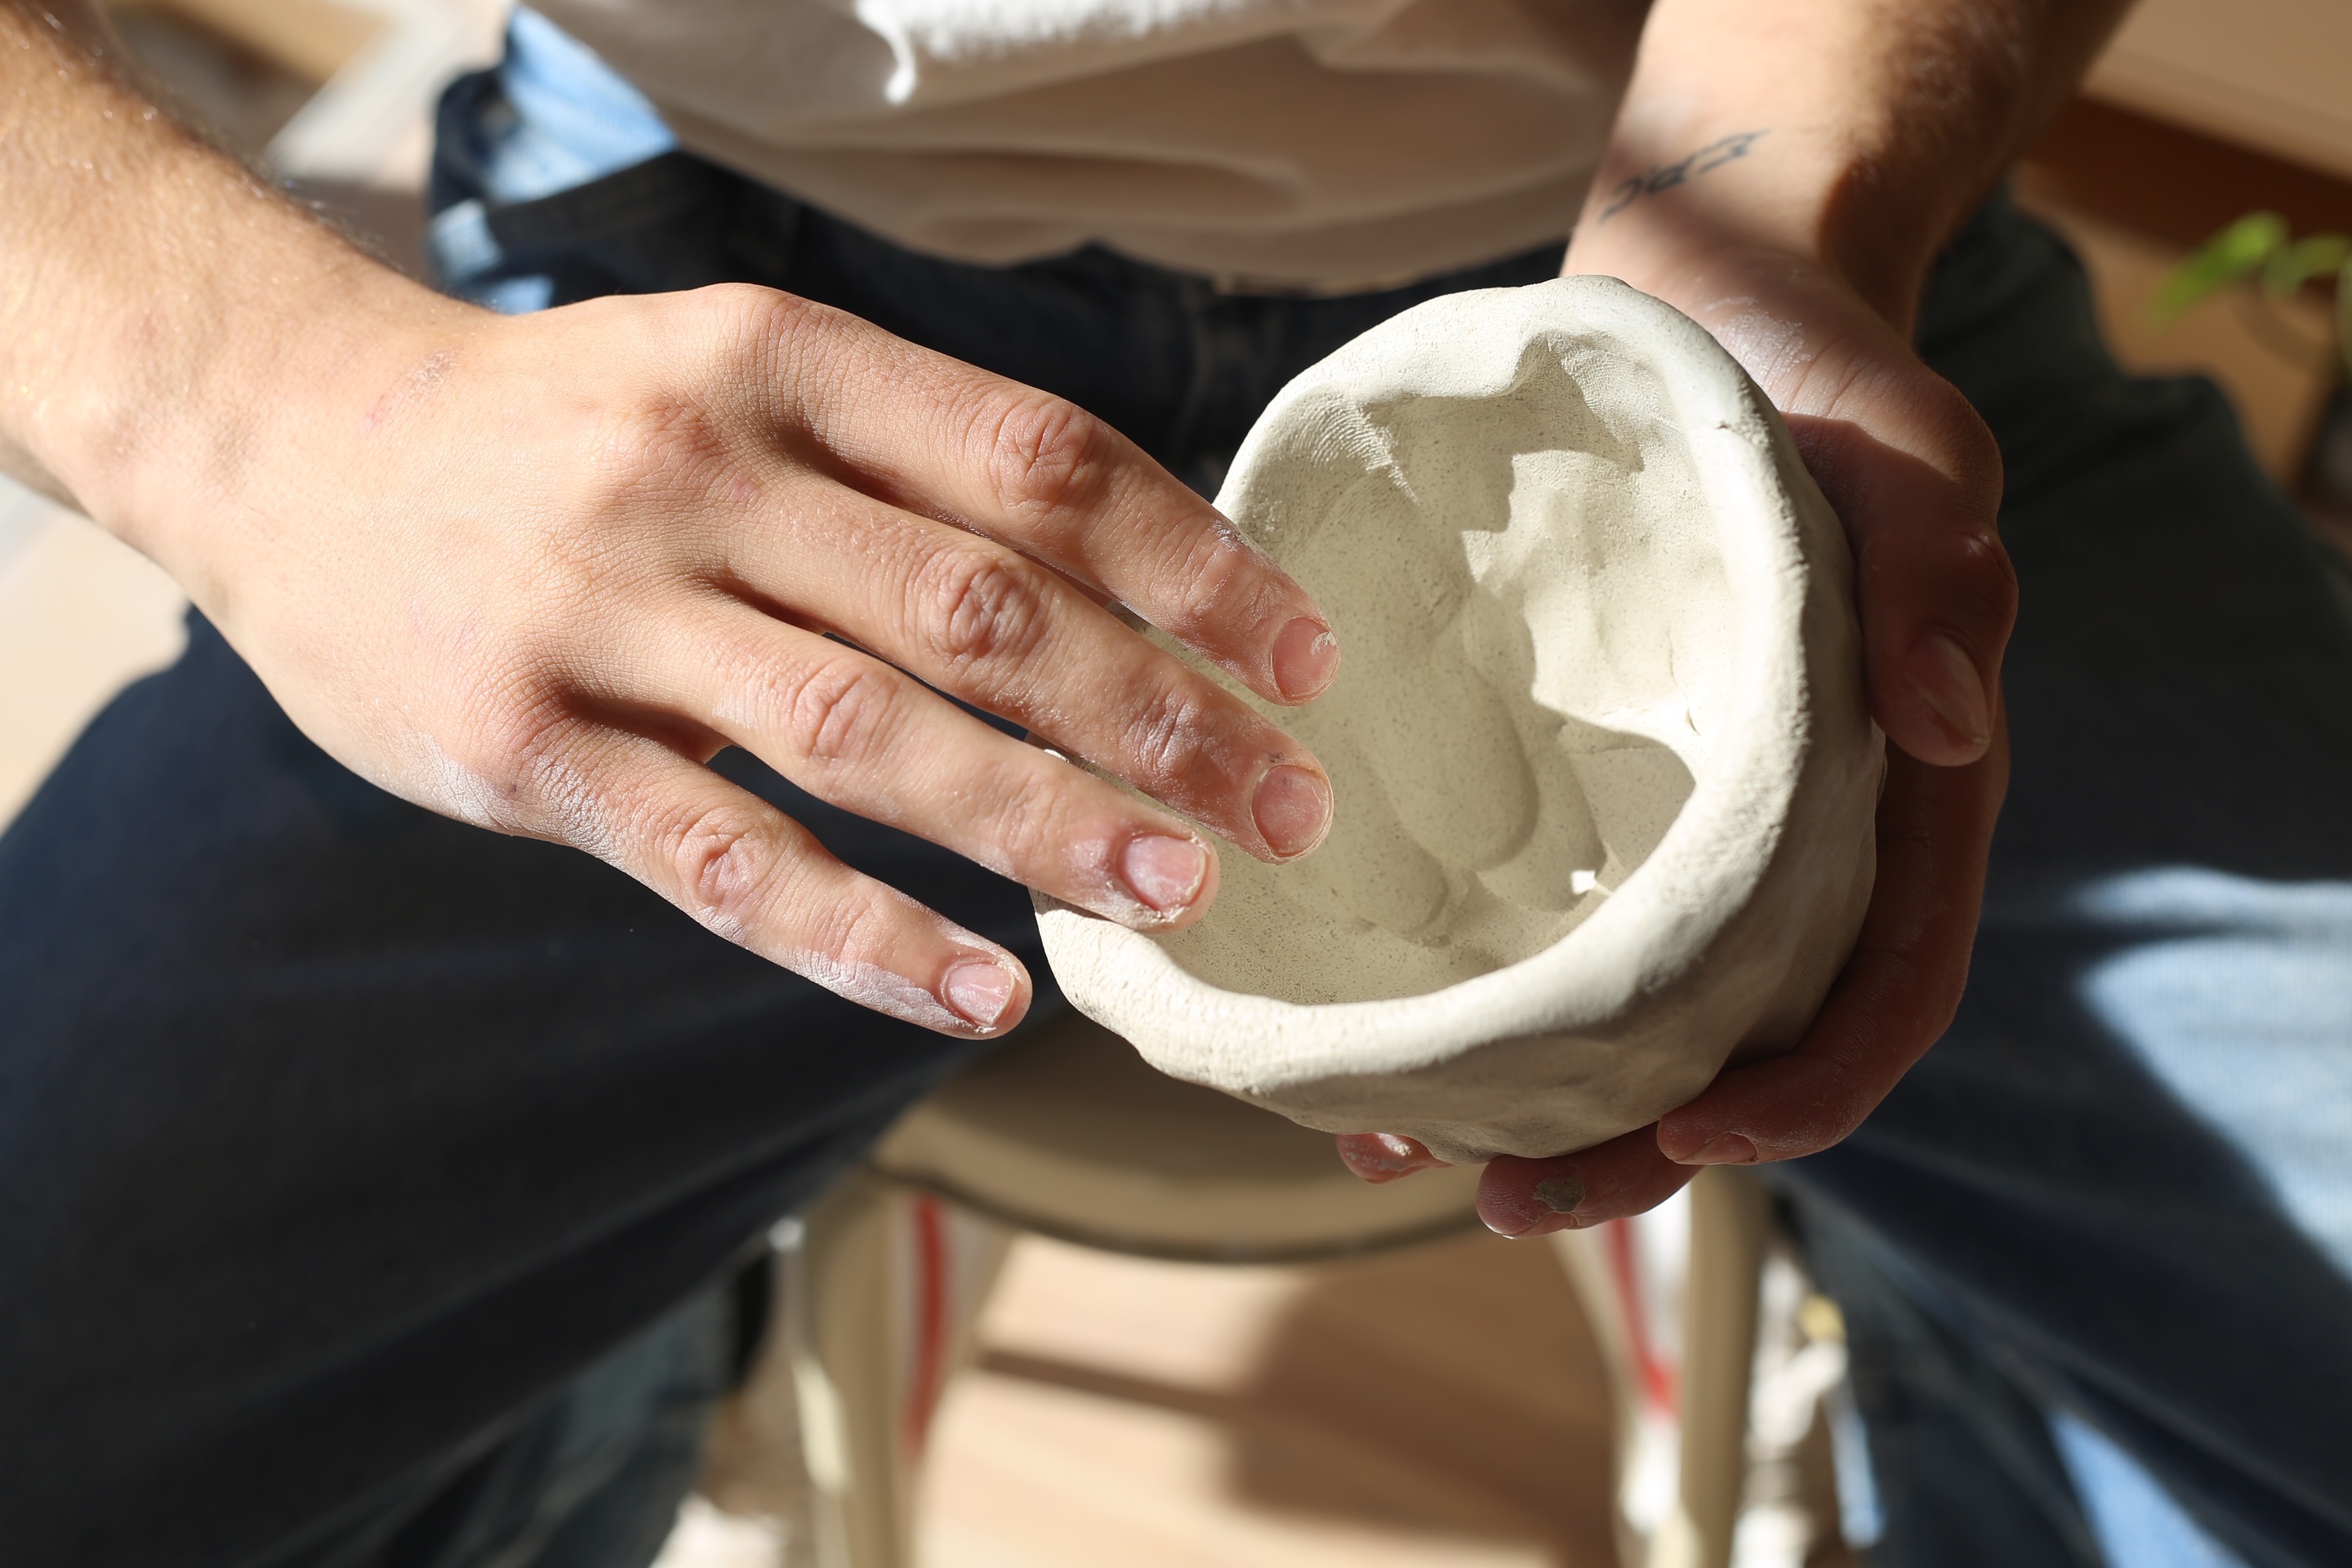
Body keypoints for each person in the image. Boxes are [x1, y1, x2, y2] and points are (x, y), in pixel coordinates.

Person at [1, 0, 2345, 1560]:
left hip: (1715, 250)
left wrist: (1793, 195)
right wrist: (259, 408)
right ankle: (624, 1314)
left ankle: (1961, 1377)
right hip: (705, 312)